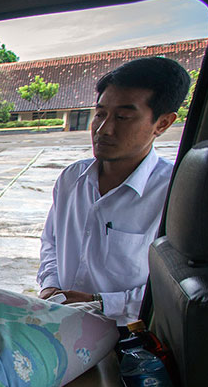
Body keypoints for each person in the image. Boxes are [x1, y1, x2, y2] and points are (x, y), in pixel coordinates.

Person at [37, 57, 191, 325]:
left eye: (123, 117)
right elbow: (51, 242)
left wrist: (102, 303)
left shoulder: (174, 193)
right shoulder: (72, 179)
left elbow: (177, 288)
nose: (103, 129)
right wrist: (50, 285)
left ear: (163, 123)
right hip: (62, 321)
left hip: (128, 331)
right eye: (100, 114)